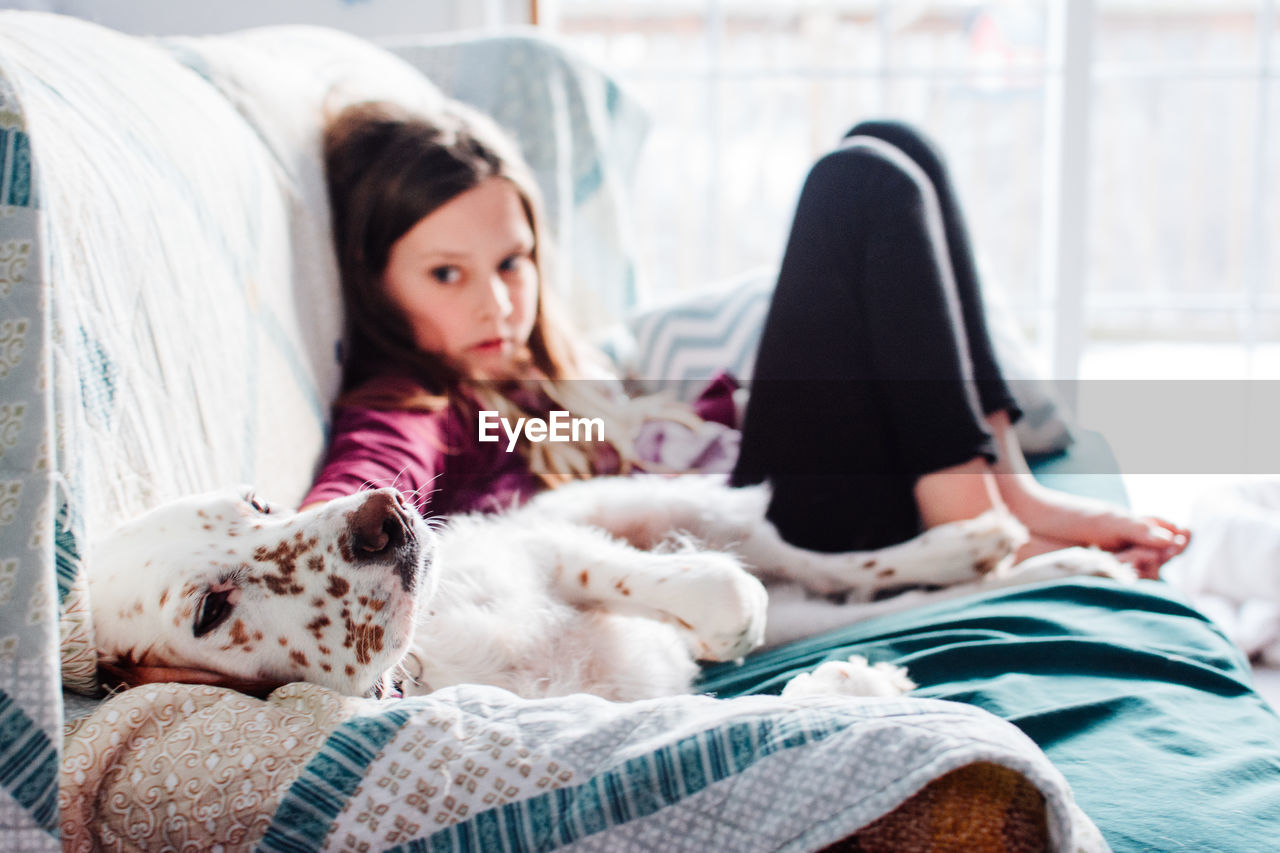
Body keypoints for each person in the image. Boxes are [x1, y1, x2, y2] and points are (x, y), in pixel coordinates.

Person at [302, 100, 1189, 578]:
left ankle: (1010, 494)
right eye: (447, 274)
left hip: (755, 479)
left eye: (514, 261)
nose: (499, 301)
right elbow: (359, 495)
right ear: (374, 280)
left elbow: (615, 437)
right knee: (859, 180)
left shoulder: (539, 382)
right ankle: (978, 532)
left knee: (890, 140)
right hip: (766, 533)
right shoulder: (419, 403)